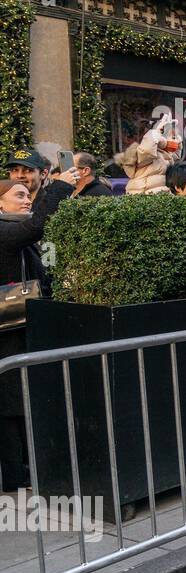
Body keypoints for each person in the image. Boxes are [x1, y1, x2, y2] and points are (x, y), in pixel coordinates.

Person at [0, 172, 76, 489]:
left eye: (28, 194)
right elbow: (37, 226)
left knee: (19, 399)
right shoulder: (5, 231)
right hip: (8, 330)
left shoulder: (15, 231)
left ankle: (23, 470)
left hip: (20, 326)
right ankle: (15, 474)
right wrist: (59, 188)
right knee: (9, 403)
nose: (26, 199)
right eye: (19, 194)